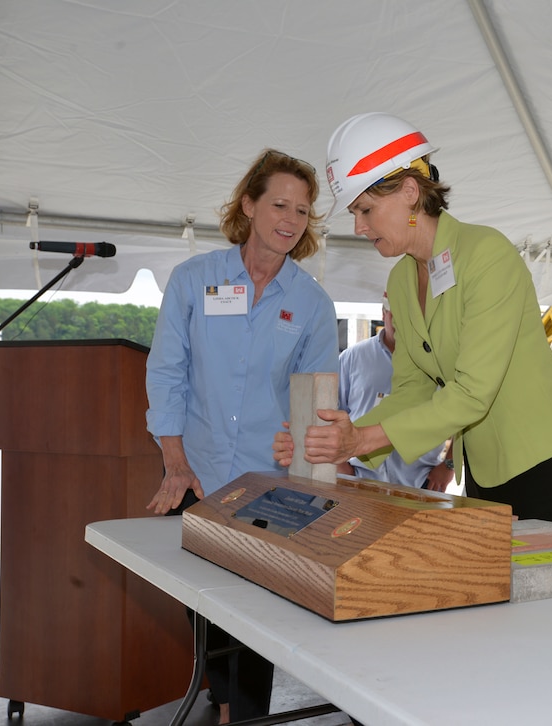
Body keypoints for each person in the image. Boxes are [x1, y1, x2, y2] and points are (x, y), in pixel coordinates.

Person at [274, 112, 552, 529]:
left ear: (408, 192)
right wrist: (328, 442)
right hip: (483, 462)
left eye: (365, 209)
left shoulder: (486, 254)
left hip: (543, 452)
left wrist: (360, 439)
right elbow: (411, 390)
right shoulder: (402, 280)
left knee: (549, 585)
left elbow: (472, 393)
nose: (359, 226)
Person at [145, 148, 340, 723]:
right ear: (249, 205)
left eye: (303, 211)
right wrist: (174, 462)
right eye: (279, 204)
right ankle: (224, 697)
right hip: (196, 472)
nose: (290, 219)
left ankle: (241, 712)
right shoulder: (193, 280)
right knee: (202, 606)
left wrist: (303, 448)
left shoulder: (312, 304)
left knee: (256, 616)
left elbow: (317, 400)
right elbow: (167, 372)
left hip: (269, 485)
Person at [338, 291, 455, 491]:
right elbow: (333, 413)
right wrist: (339, 464)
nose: (403, 325)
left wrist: (449, 465)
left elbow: (460, 413)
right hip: (360, 478)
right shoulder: (352, 358)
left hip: (420, 480)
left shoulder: (439, 363)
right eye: (396, 316)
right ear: (384, 314)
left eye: (410, 319)